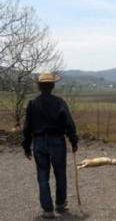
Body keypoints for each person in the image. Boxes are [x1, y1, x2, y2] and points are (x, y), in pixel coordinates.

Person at [21, 72, 79, 219]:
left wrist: (26, 146)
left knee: (42, 177)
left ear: (39, 86)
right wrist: (73, 141)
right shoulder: (59, 102)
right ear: (52, 86)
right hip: (57, 141)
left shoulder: (32, 104)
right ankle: (60, 204)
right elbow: (69, 124)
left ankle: (48, 210)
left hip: (39, 142)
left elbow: (27, 127)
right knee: (60, 174)